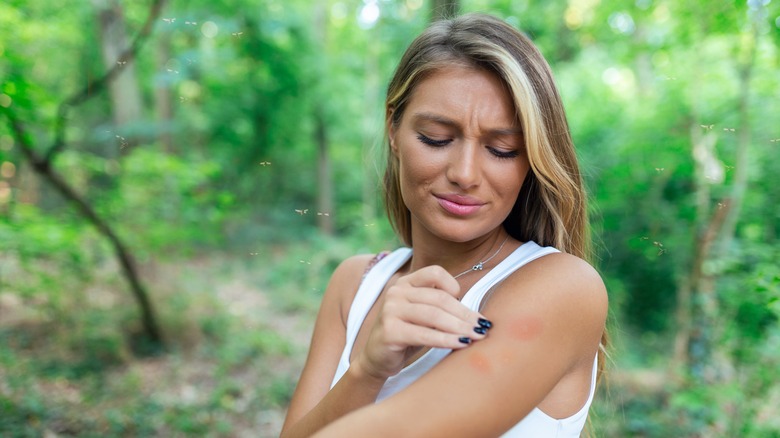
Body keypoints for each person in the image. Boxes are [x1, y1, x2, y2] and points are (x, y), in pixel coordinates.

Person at [281, 12, 608, 438]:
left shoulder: (565, 288)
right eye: (436, 137)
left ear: (532, 160)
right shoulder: (354, 285)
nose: (465, 173)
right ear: (393, 128)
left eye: (503, 149)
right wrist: (367, 370)